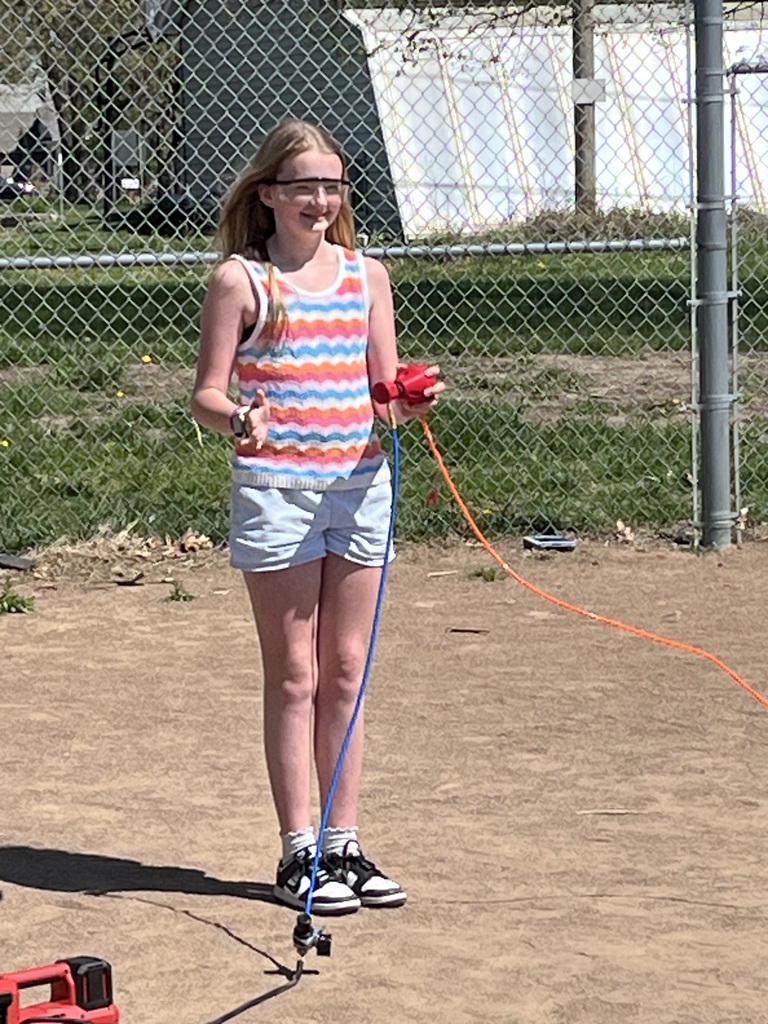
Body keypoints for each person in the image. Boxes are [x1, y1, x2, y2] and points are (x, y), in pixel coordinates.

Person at [191, 119, 444, 915]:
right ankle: (298, 851)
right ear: (268, 195)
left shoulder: (367, 275)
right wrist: (238, 420)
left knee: (347, 671)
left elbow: (383, 387)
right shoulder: (243, 281)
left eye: (333, 185)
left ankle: (346, 845)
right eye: (304, 186)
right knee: (294, 673)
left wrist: (408, 396)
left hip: (360, 489)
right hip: (278, 494)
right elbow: (205, 394)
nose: (321, 199)